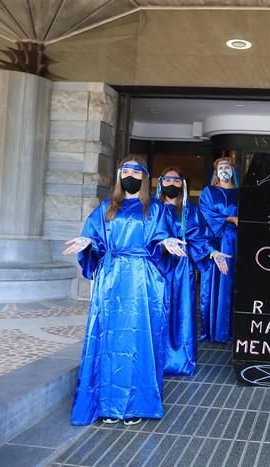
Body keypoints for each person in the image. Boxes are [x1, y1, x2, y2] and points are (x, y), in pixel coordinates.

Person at [63, 157, 186, 426]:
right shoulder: (107, 207)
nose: (130, 175)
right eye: (125, 171)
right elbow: (94, 236)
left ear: (144, 177)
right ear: (120, 176)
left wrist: (165, 241)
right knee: (110, 338)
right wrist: (87, 241)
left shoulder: (156, 209)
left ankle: (137, 405)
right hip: (111, 278)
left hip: (143, 280)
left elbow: (162, 236)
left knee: (140, 338)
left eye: (135, 171)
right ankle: (107, 404)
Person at [156, 167, 230, 376]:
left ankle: (179, 361)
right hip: (156, 268)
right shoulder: (151, 209)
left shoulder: (190, 211)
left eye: (176, 180)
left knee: (181, 313)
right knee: (156, 312)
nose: (172, 183)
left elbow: (200, 238)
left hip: (181, 269)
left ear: (183, 184)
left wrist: (213, 253)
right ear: (161, 182)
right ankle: (152, 360)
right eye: (168, 179)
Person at [198, 156, 239, 343]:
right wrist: (229, 219)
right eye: (221, 167)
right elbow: (205, 215)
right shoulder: (209, 192)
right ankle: (214, 330)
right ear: (216, 171)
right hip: (214, 241)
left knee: (233, 283)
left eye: (227, 167)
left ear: (233, 170)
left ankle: (231, 331)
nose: (224, 170)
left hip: (237, 242)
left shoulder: (240, 193)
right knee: (215, 283)